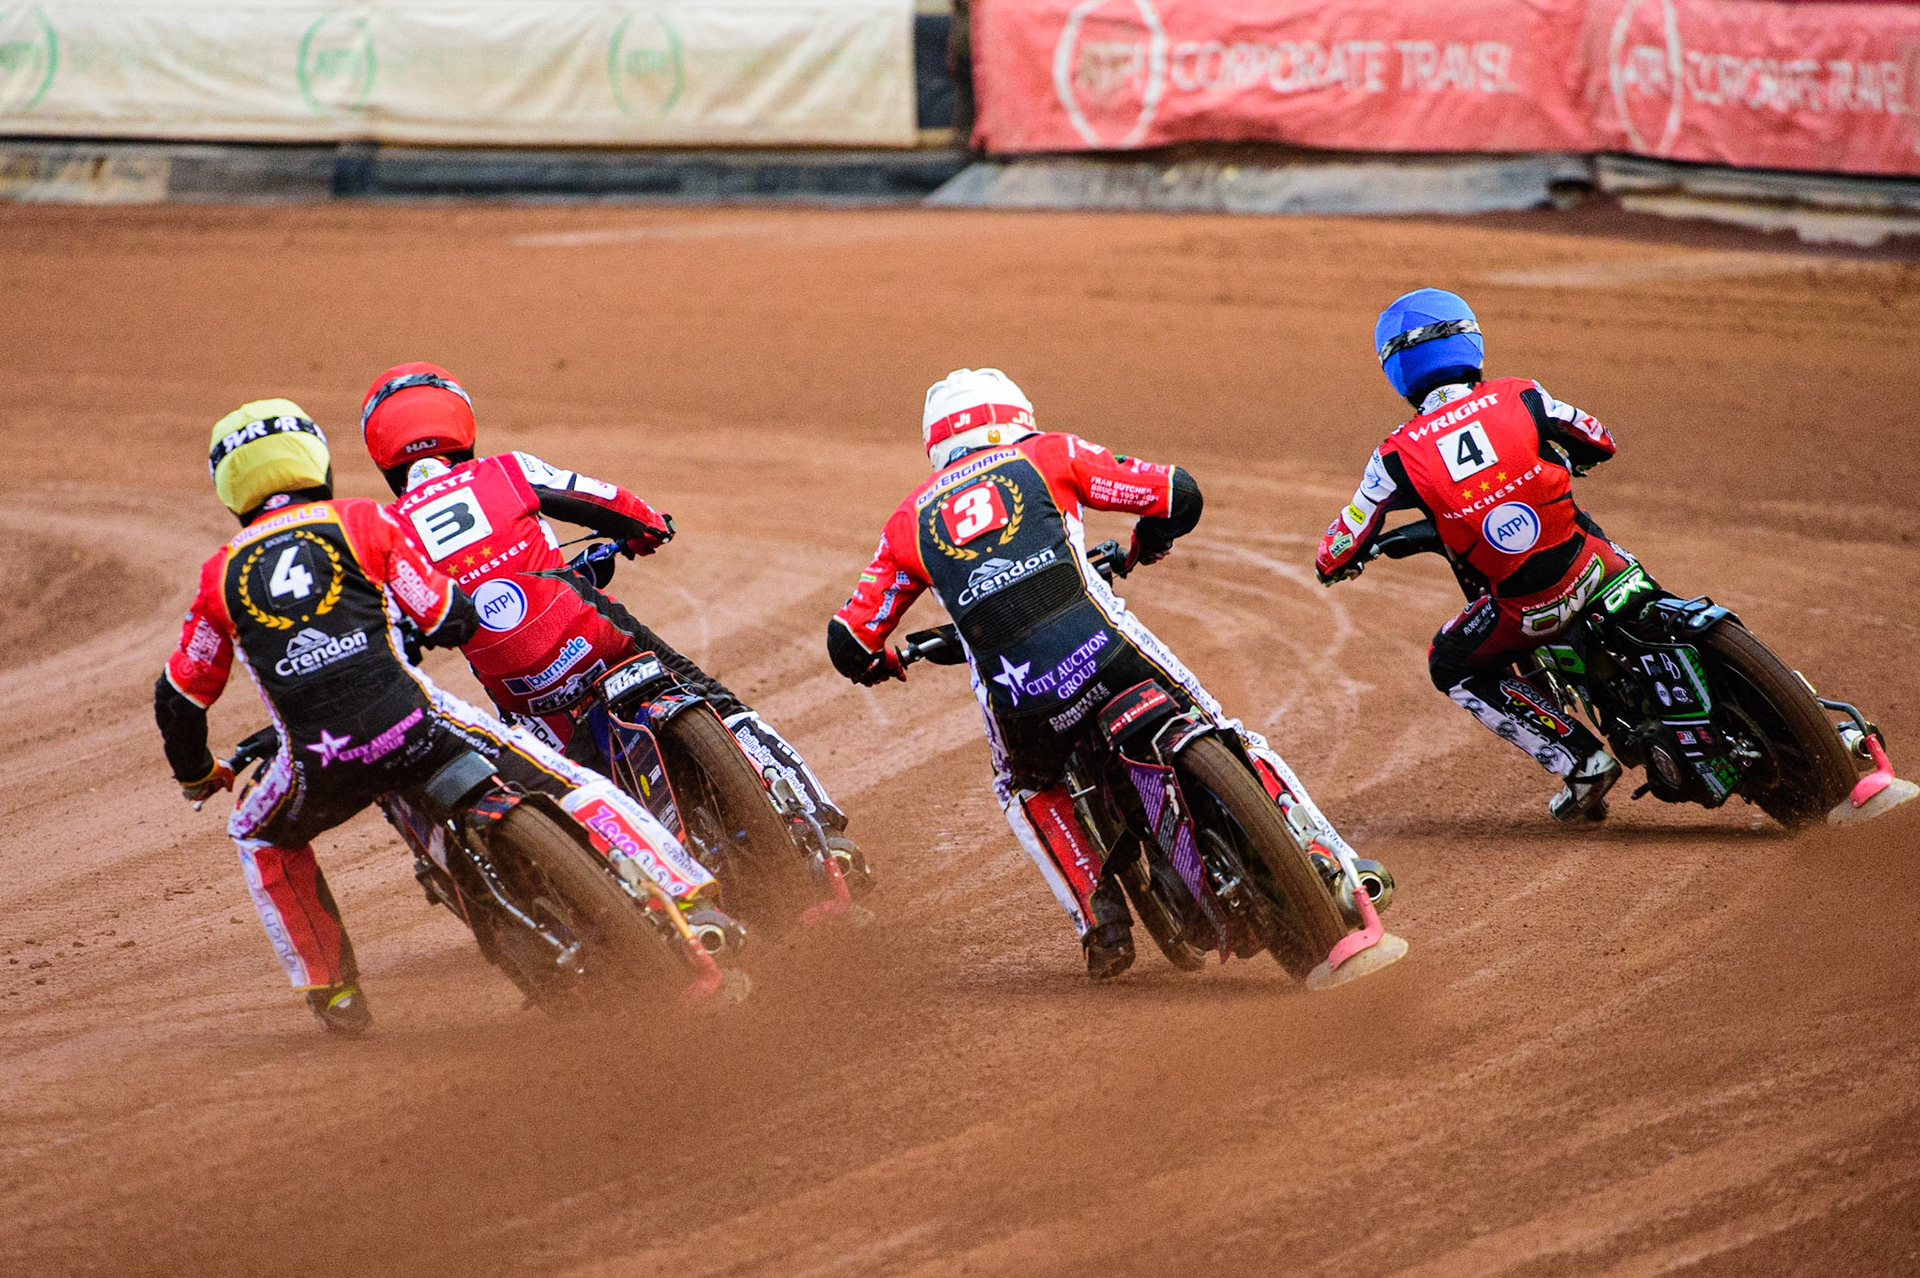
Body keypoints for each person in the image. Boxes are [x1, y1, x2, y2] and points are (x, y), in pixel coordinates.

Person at [156, 399, 724, 1035]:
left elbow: (178, 696)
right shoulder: (363, 522)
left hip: (318, 757)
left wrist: (198, 773)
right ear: (315, 458)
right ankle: (684, 888)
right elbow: (443, 616)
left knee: (258, 833)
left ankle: (334, 991)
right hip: (416, 724)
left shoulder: (219, 574)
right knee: (568, 780)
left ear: (228, 484)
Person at [827, 368, 1366, 979]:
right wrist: (1149, 538)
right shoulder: (1048, 453)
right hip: (1106, 651)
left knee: (1024, 786)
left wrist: (881, 662)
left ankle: (1098, 917)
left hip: (1021, 696)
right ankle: (1335, 858)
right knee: (1221, 726)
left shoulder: (908, 521)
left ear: (936, 446)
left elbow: (848, 640)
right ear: (1016, 418)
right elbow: (1178, 493)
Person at [356, 364, 865, 889]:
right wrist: (647, 529)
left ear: (383, 456)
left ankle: (628, 892)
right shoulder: (508, 470)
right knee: (715, 700)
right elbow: (609, 501)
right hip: (596, 640)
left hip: (525, 693)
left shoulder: (388, 531)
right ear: (462, 427)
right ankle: (815, 816)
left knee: (562, 794)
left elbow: (395, 628)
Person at [1315, 287, 1641, 821]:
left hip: (1524, 606)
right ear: (1471, 341)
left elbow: (1340, 544)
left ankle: (1579, 761)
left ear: (1396, 368)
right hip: (1599, 563)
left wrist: (1335, 562)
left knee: (1449, 663)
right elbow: (1599, 438)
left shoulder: (1395, 454)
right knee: (1653, 593)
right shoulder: (1522, 393)